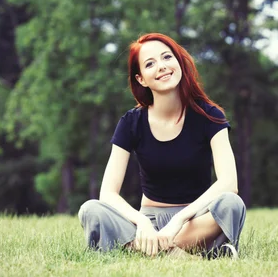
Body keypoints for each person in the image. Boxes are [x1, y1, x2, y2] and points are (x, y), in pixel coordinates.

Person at [78, 33, 246, 259]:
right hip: (148, 223)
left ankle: (144, 252)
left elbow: (229, 183)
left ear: (178, 62)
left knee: (232, 204)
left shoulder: (209, 116)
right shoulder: (131, 122)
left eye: (167, 57)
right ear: (141, 79)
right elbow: (107, 193)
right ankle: (183, 257)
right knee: (91, 210)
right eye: (150, 64)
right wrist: (142, 222)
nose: (162, 67)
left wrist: (179, 219)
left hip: (195, 221)